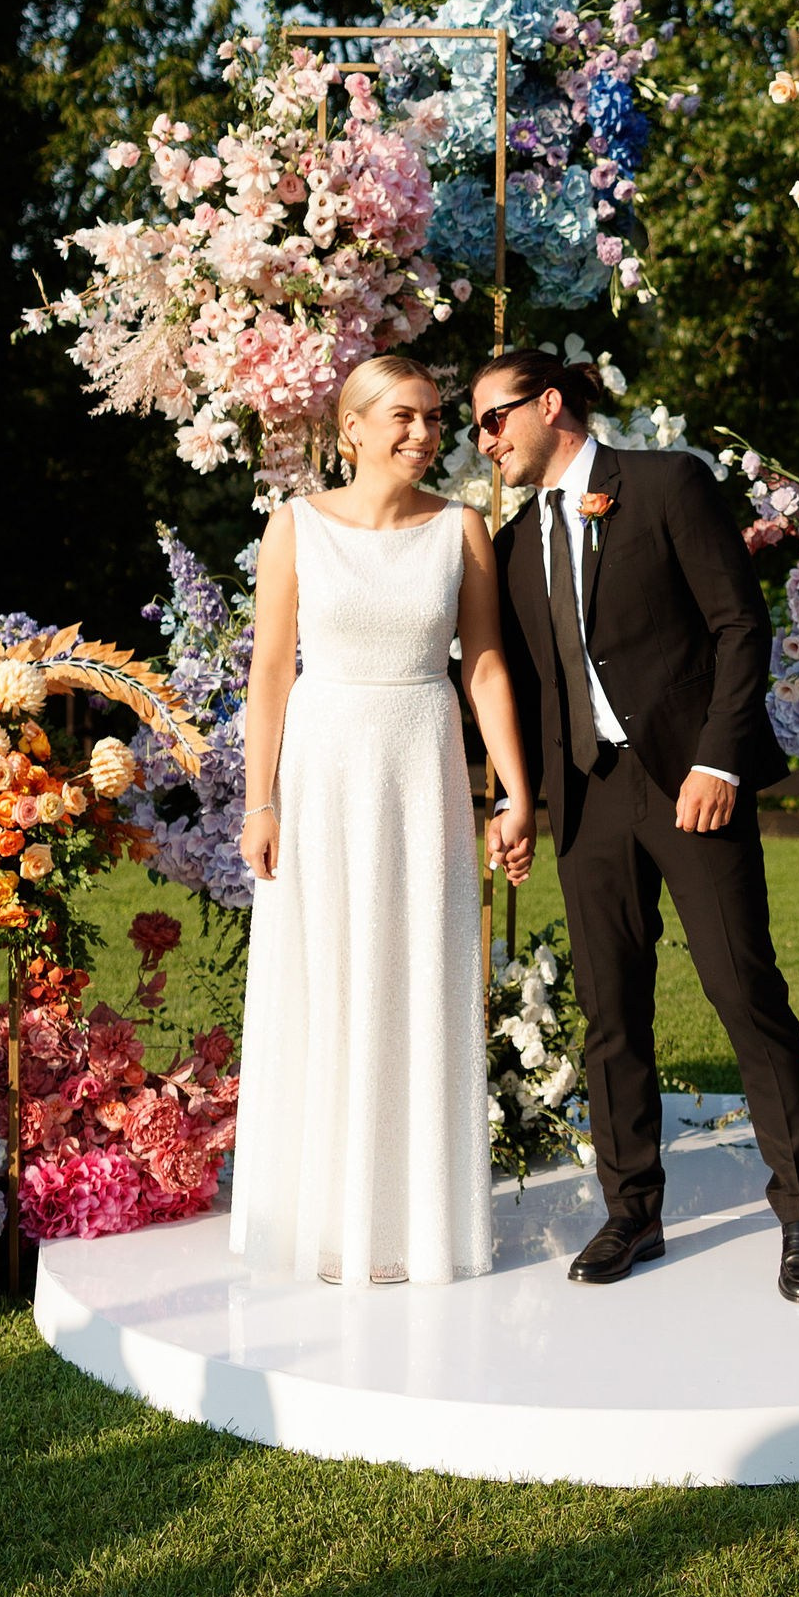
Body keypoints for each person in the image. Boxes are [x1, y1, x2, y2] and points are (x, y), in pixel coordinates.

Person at [472, 345, 799, 1301]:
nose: (483, 441)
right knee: (610, 1013)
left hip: (689, 783)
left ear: (549, 404)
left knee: (741, 988)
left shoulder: (669, 484)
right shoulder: (512, 546)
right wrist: (517, 799)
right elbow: (510, 680)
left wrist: (718, 759)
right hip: (585, 800)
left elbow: (738, 626)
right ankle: (632, 1209)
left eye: (492, 418)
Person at [229, 352, 535, 1286]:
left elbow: (483, 666)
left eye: (436, 419)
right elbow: (271, 671)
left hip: (422, 767)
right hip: (324, 770)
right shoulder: (294, 528)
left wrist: (515, 792)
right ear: (351, 428)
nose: (424, 434)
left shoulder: (462, 530)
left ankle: (413, 1226)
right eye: (403, 416)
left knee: (418, 978)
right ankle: (325, 1221)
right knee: (327, 980)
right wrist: (261, 801)